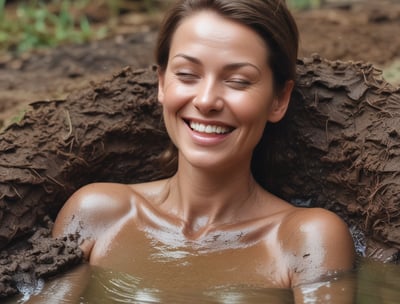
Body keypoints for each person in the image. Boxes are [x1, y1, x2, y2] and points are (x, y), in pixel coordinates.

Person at [52, 0, 356, 302]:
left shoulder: (306, 237)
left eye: (238, 81)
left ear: (279, 99)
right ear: (161, 82)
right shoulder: (97, 213)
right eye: (186, 75)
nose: (206, 100)